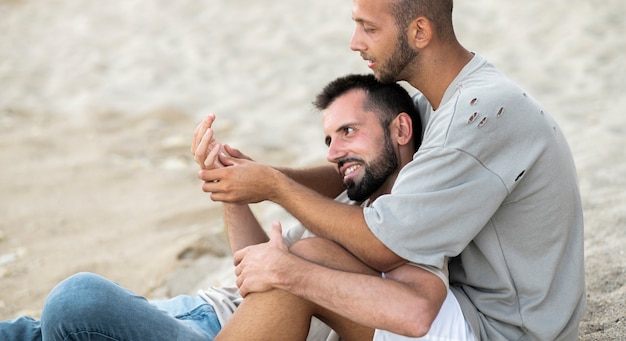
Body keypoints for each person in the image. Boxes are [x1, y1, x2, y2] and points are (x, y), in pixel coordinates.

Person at [197, 0, 586, 340]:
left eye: (368, 27)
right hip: (462, 308)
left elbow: (385, 246)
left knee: (301, 266)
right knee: (305, 258)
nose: (355, 42)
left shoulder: (478, 114)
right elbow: (362, 168)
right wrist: (252, 177)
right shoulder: (436, 104)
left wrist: (275, 186)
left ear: (419, 31)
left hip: (502, 329)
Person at [0, 74, 433, 340]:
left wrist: (273, 186)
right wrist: (229, 190)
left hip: (225, 330)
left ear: (400, 128)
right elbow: (251, 277)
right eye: (329, 139)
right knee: (23, 332)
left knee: (76, 302)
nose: (334, 153)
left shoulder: (413, 216)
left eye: (349, 131)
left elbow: (411, 311)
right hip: (206, 309)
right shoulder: (348, 190)